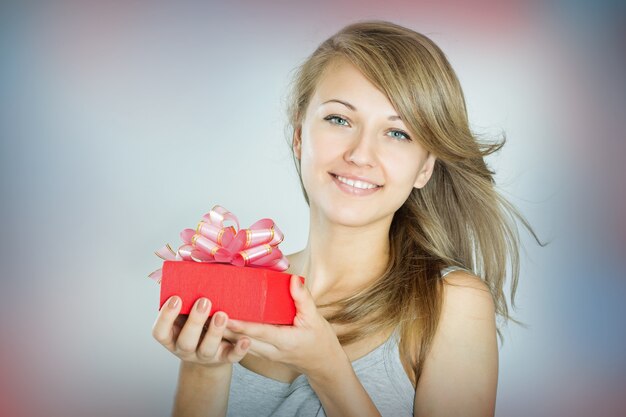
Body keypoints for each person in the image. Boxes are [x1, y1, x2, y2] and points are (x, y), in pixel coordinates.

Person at [152, 20, 539, 417]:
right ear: (300, 134)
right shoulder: (242, 288)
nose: (360, 154)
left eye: (398, 133)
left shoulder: (453, 303)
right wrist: (204, 369)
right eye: (339, 119)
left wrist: (327, 368)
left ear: (425, 168)